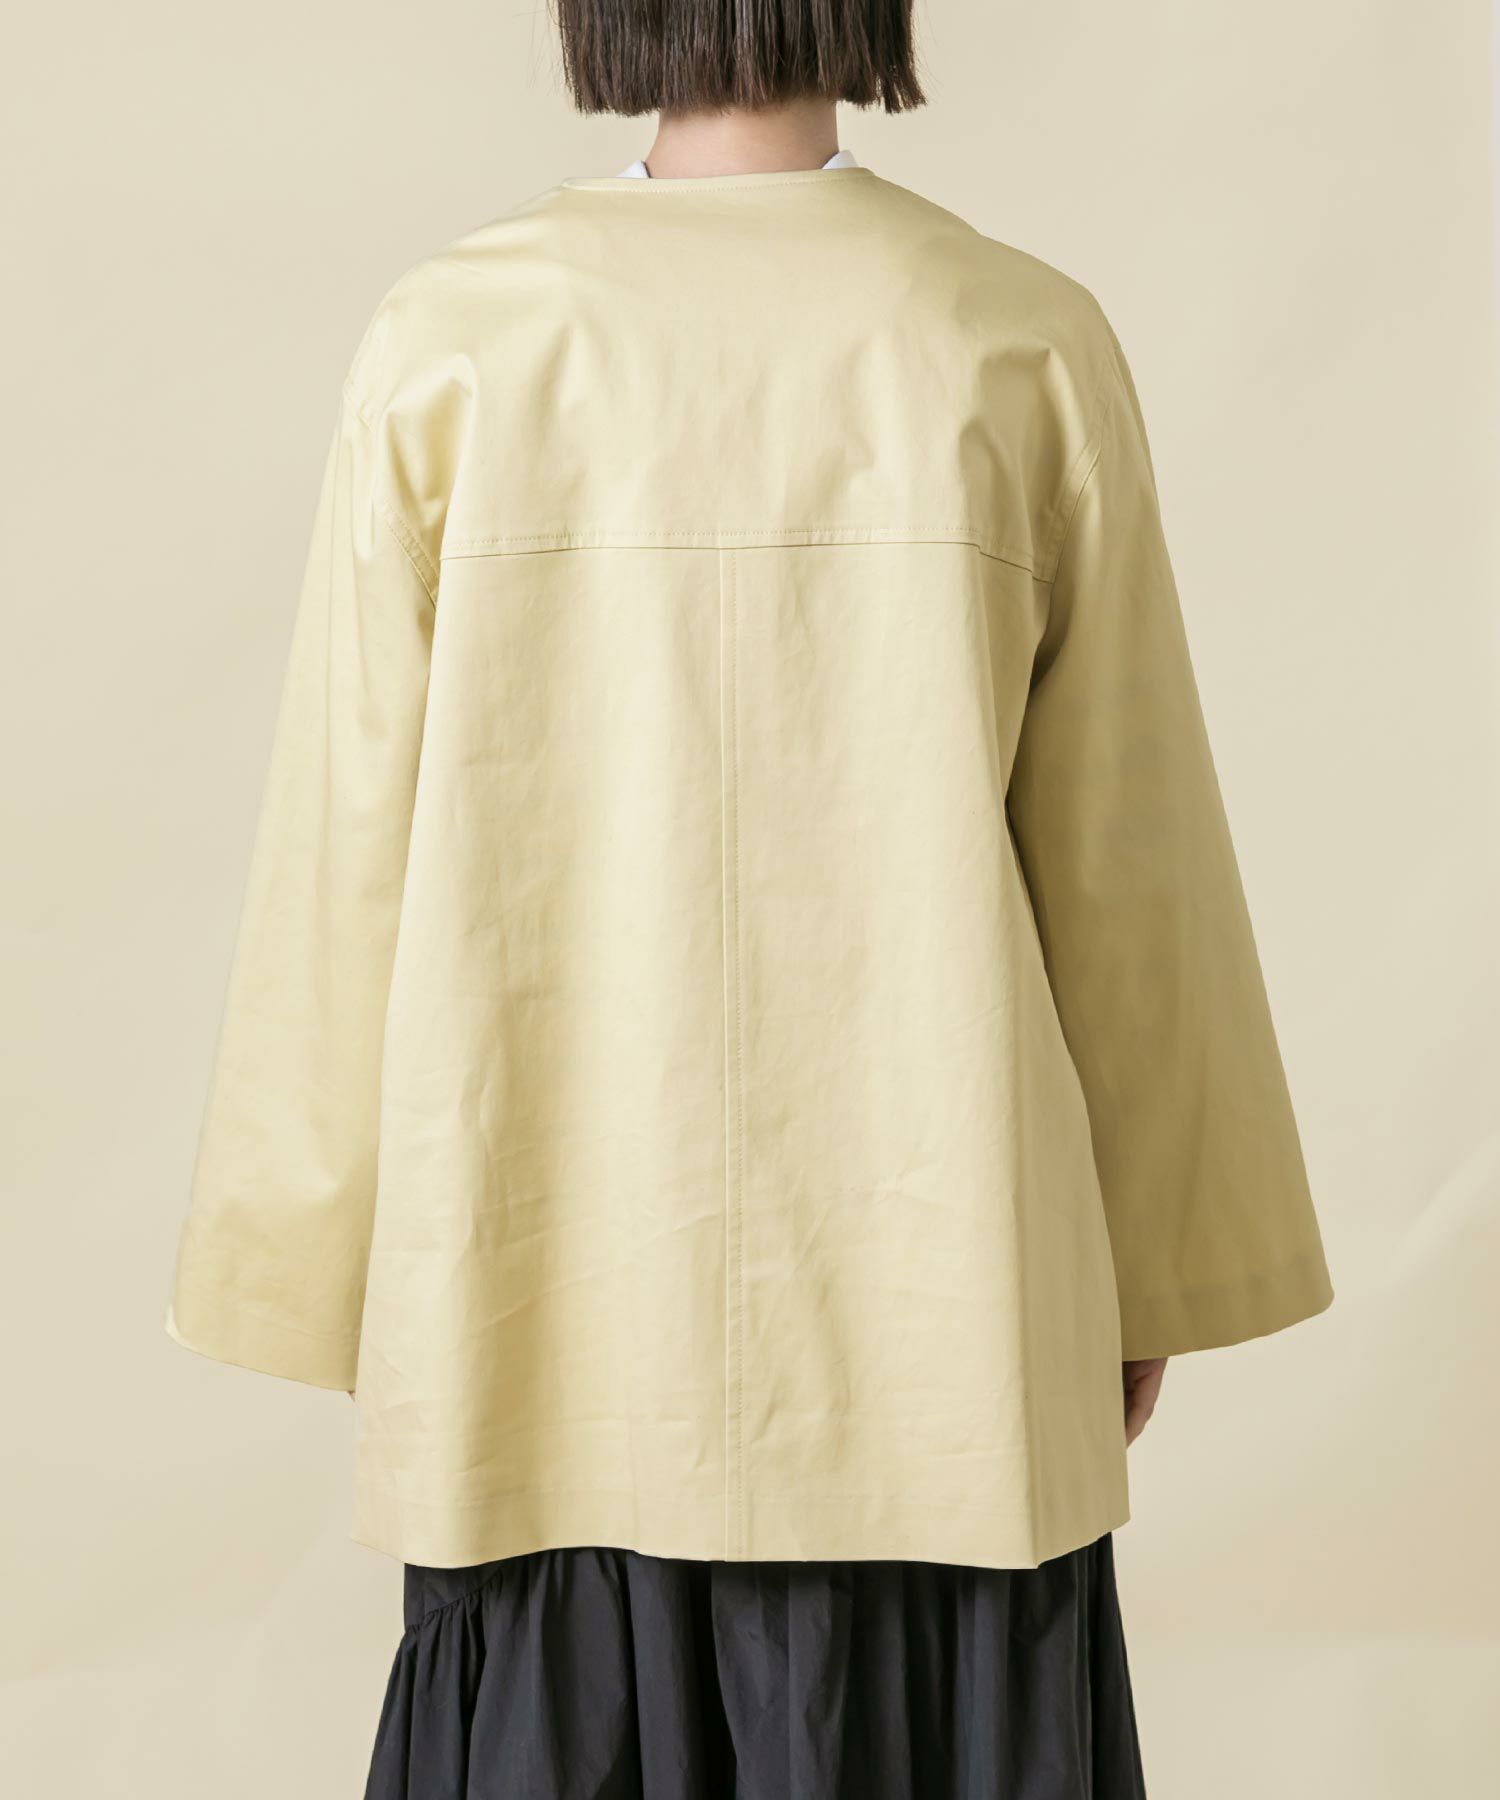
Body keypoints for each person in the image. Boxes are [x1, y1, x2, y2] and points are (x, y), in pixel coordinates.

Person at [163, 3, 1334, 1794]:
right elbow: (1129, 863)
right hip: (942, 1326)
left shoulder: (455, 343)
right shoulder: (1013, 338)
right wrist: (1154, 1262)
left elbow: (348, 860)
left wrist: (324, 1267)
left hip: (548, 1323)